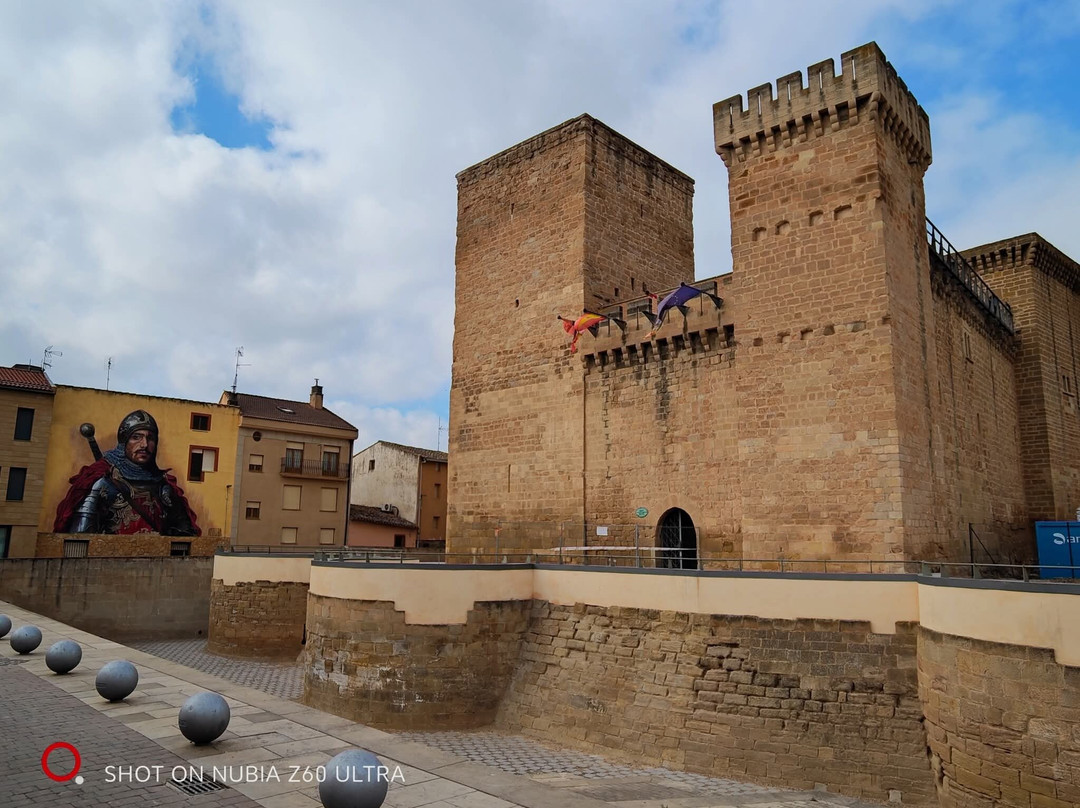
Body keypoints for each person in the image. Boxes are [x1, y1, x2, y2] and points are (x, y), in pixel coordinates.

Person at [54, 410, 200, 536]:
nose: (144, 444)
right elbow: (79, 537)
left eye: (150, 438)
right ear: (124, 441)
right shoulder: (102, 484)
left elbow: (185, 533)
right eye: (136, 437)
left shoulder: (164, 486)